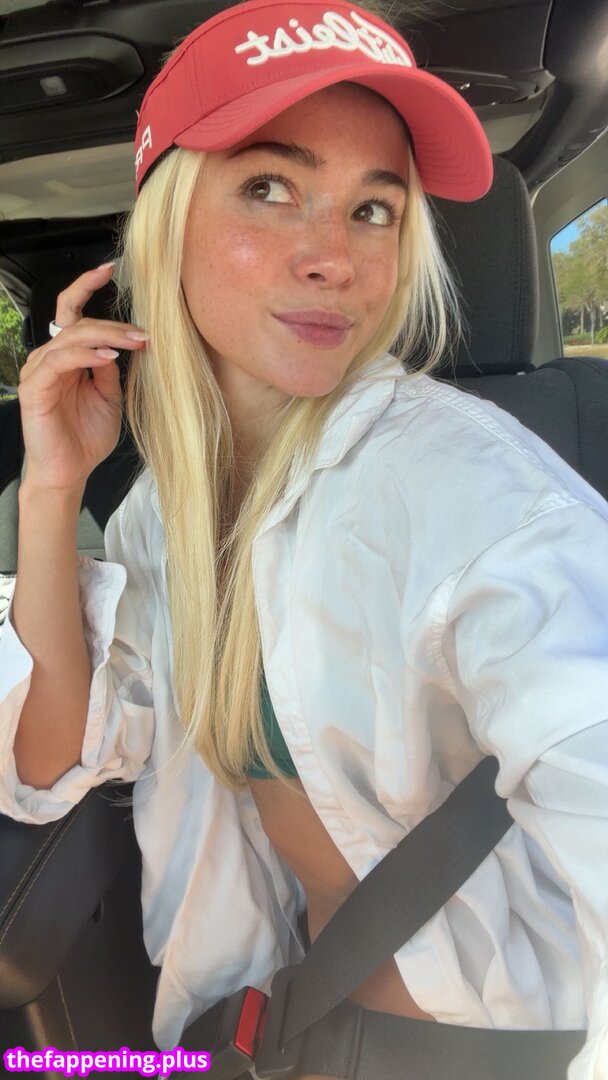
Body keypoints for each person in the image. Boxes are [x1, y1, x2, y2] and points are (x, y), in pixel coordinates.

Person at [0, 0, 607, 1077]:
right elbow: (49, 761)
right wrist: (53, 488)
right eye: (270, 189)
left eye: (374, 210)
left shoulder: (476, 494)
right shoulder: (167, 509)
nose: (333, 257)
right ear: (169, 222)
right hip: (277, 1031)